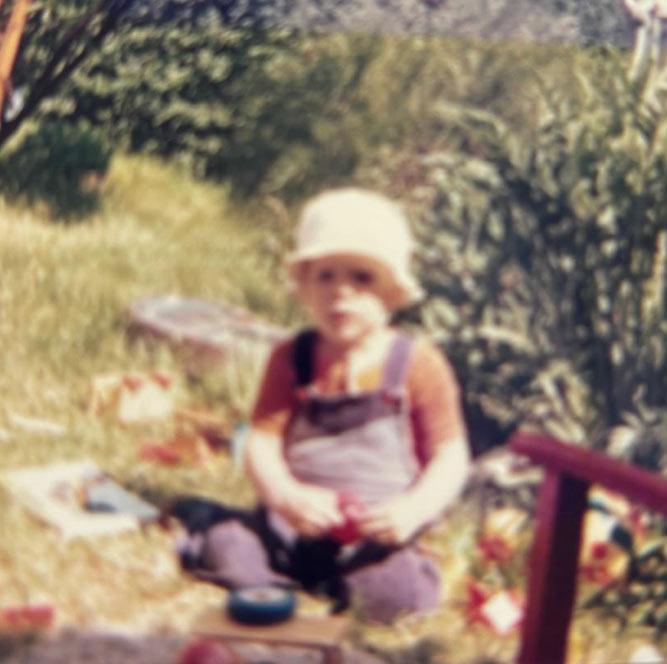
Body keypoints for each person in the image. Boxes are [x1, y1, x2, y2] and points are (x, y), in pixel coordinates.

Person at [174, 187, 470, 624]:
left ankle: (349, 583)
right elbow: (261, 442)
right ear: (304, 287)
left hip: (373, 536)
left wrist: (412, 511)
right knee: (231, 546)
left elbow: (450, 456)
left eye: (361, 279)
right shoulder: (292, 357)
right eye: (325, 276)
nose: (340, 293)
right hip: (294, 525)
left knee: (397, 595)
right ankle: (253, 563)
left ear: (393, 292)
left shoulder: (417, 363)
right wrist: (285, 496)